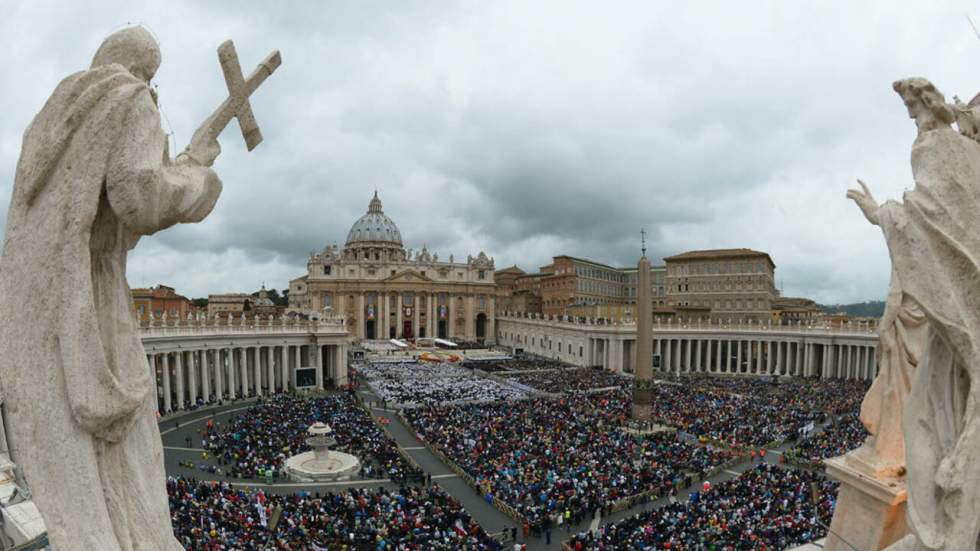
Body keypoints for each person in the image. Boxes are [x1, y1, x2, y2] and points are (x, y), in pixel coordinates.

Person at [0, 26, 221, 551]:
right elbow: (137, 196)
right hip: (90, 297)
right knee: (132, 454)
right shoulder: (130, 96)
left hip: (31, 302)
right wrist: (198, 177)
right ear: (145, 70)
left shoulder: (48, 123)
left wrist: (180, 158)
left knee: (57, 444)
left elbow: (104, 213)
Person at [848, 77, 980, 550]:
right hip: (958, 341)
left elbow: (926, 227)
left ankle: (944, 532)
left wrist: (880, 213)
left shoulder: (956, 165)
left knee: (925, 423)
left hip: (963, 346)